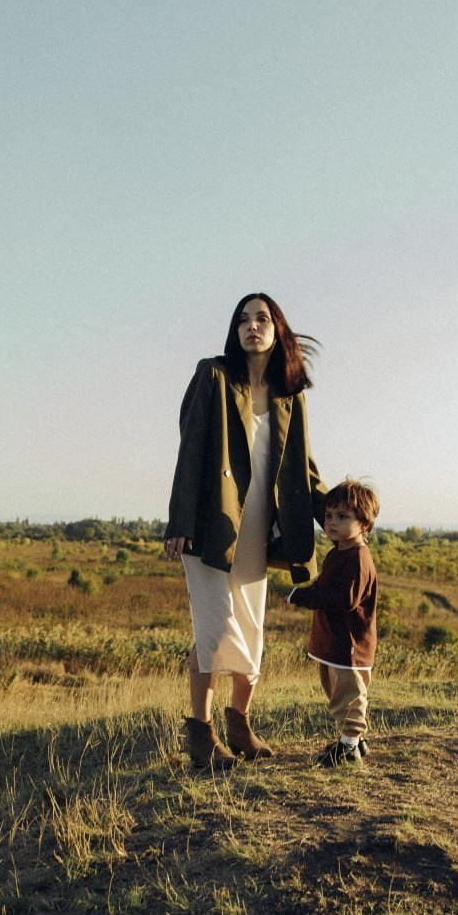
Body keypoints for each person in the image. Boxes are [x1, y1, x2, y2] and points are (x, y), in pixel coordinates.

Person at [165, 292, 327, 769]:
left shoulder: (290, 398)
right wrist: (180, 521)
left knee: (252, 633)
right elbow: (190, 448)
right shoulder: (213, 375)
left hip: (258, 527)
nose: (251, 326)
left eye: (261, 318)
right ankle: (200, 735)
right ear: (235, 332)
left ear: (279, 330)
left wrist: (343, 515)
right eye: (243, 320)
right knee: (214, 631)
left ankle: (240, 724)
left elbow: (306, 469)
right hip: (210, 526)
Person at [288, 479, 379, 767]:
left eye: (343, 517)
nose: (332, 523)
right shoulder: (339, 552)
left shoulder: (358, 558)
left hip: (349, 643)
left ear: (364, 523)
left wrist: (304, 596)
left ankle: (350, 745)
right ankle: (352, 740)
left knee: (349, 692)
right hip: (334, 640)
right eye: (328, 516)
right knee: (336, 689)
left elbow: (344, 599)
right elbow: (329, 587)